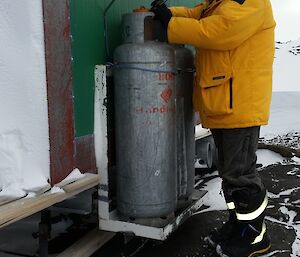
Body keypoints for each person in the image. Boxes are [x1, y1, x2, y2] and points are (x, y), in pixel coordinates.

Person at [150, 0, 276, 256]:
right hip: (223, 104)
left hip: (240, 105)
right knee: (231, 174)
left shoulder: (251, 3)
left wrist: (171, 24)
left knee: (241, 175)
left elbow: (218, 31)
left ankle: (254, 237)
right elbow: (195, 14)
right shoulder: (217, 3)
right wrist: (166, 14)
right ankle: (238, 227)